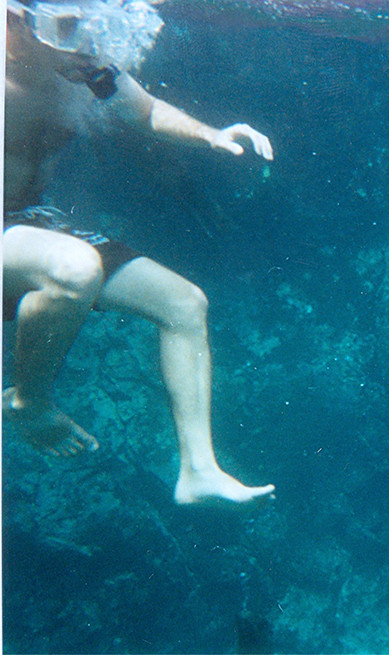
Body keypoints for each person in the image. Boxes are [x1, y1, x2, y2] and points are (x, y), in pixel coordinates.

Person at [4, 0, 275, 504]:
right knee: (74, 267)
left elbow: (145, 110)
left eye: (87, 25)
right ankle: (30, 404)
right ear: (17, 19)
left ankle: (199, 470)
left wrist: (212, 135)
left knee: (184, 303)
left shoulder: (82, 69)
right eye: (65, 27)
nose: (82, 40)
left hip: (28, 223)